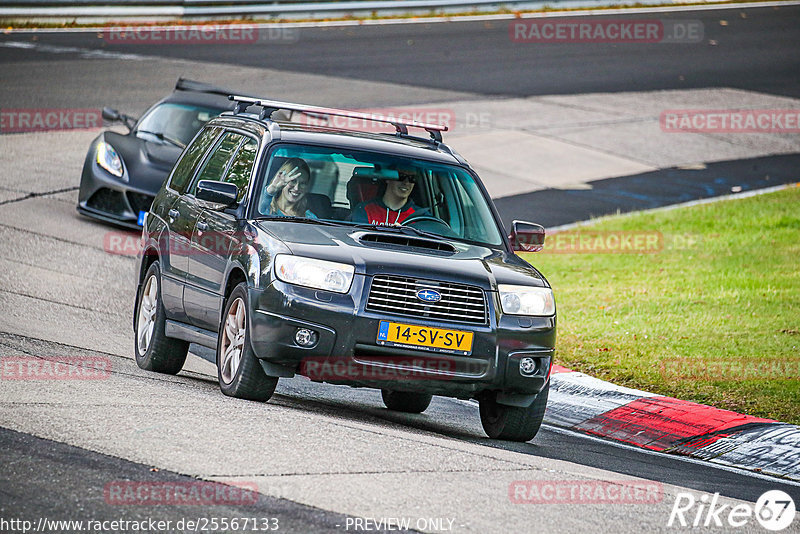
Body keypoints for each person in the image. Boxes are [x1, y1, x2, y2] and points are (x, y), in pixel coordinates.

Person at [350, 169, 429, 225]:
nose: (406, 182)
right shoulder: (365, 209)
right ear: (388, 179)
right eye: (401, 176)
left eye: (412, 178)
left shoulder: (422, 217)